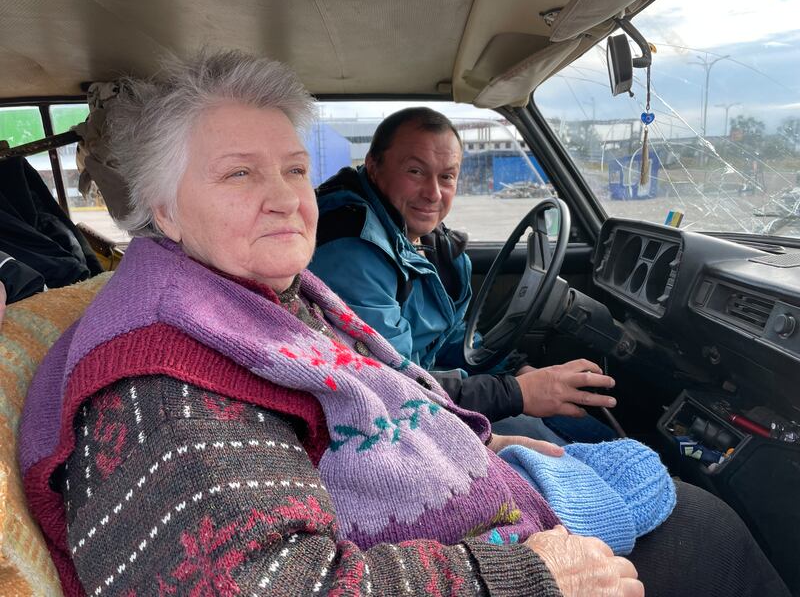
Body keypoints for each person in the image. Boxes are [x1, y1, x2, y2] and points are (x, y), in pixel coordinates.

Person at [18, 50, 788, 597]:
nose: (286, 196)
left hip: (450, 512)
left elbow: (394, 392)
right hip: (481, 561)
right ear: (162, 209)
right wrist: (530, 576)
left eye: (292, 168)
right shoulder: (163, 391)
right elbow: (257, 580)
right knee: (705, 528)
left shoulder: (260, 294)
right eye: (239, 172)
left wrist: (485, 432)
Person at [309, 108, 615, 444]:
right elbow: (392, 388)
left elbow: (454, 339)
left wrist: (516, 371)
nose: (434, 194)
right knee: (568, 450)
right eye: (415, 171)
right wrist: (515, 393)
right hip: (391, 424)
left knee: (590, 430)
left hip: (431, 392)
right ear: (374, 166)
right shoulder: (352, 252)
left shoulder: (433, 244)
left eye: (447, 177)